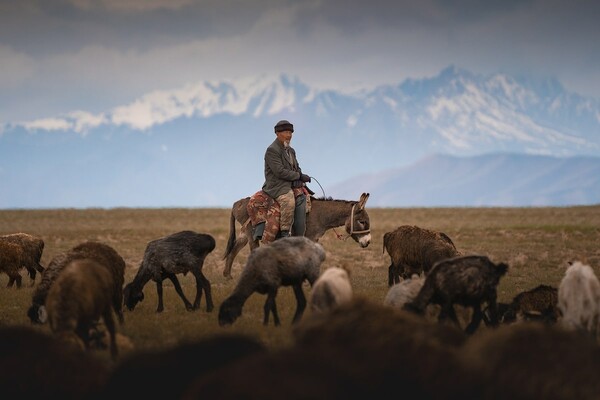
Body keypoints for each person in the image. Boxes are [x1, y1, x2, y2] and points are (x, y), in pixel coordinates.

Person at [261, 119, 311, 239]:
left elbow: (296, 168)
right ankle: (285, 233)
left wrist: (300, 176)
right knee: (288, 200)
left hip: (289, 183)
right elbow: (279, 172)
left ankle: (300, 231)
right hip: (277, 186)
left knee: (307, 199)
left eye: (290, 133)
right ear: (277, 133)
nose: (289, 135)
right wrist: (298, 176)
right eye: (286, 132)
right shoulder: (272, 150)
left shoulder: (291, 151)